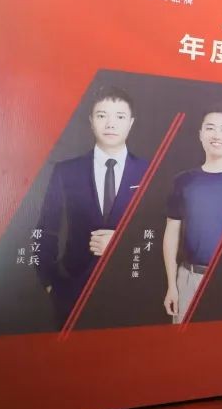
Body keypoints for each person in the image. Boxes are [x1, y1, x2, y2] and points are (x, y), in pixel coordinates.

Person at [36, 86, 149, 328]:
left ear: (131, 122)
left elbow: (159, 232)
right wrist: (51, 284)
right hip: (74, 290)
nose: (110, 124)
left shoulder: (150, 172)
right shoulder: (66, 171)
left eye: (119, 116)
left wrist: (120, 244)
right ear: (91, 121)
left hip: (131, 290)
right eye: (102, 115)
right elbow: (46, 229)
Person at [162, 110, 222, 323]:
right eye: (210, 128)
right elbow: (171, 234)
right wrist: (172, 285)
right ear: (200, 134)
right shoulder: (183, 181)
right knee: (186, 342)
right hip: (189, 279)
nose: (217, 135)